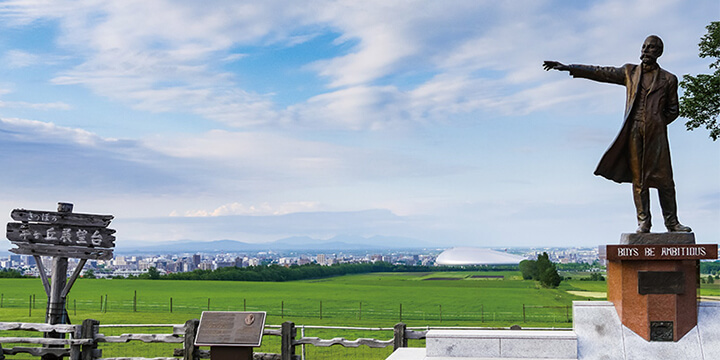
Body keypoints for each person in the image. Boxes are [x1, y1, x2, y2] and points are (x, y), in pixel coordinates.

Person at [543, 35, 691, 233]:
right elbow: (601, 72)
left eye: (651, 48)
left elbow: (673, 110)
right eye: (644, 46)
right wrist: (570, 67)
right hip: (633, 132)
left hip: (657, 135)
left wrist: (656, 121)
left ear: (659, 52)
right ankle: (644, 221)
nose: (646, 50)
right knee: (639, 180)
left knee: (665, 180)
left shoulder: (669, 79)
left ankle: (672, 223)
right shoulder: (630, 72)